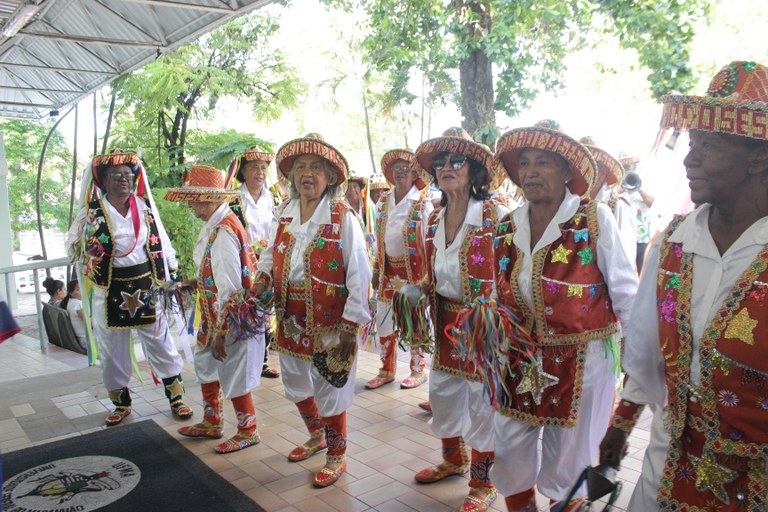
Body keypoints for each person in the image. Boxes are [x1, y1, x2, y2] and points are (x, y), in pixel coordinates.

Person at [599, 60, 768, 511]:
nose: (690, 159)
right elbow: (647, 350)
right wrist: (621, 423)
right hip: (669, 460)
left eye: (708, 146)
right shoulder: (674, 242)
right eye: (692, 143)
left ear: (759, 157)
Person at [491, 120, 638, 511]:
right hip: (519, 357)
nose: (531, 171)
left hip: (584, 360)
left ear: (567, 172)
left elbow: (627, 294)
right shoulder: (506, 226)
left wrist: (636, 361)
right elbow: (496, 290)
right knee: (507, 448)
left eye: (543, 162)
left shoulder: (594, 219)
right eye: (525, 162)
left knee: (570, 458)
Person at [252, 133, 372, 487]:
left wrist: (352, 324)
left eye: (316, 168)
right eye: (301, 167)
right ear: (291, 177)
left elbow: (359, 272)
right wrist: (262, 276)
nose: (307, 174)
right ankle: (316, 434)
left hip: (331, 323)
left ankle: (337, 455)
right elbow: (269, 252)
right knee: (296, 383)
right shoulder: (285, 213)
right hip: (290, 319)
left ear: (331, 176)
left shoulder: (342, 216)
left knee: (330, 389)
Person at [411, 127, 509, 512]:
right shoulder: (434, 218)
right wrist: (419, 289)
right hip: (446, 321)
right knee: (445, 394)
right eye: (439, 164)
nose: (446, 168)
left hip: (483, 328)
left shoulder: (494, 214)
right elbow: (434, 270)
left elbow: (510, 272)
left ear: (476, 172)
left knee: (482, 402)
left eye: (456, 162)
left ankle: (483, 482)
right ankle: (454, 460)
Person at [66, 150, 192, 426]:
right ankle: (121, 404)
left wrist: (169, 275)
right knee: (112, 349)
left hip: (146, 285)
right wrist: (87, 249)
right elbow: (72, 246)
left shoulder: (144, 208)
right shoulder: (92, 212)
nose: (123, 180)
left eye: (127, 175)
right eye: (116, 176)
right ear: (104, 180)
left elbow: (162, 242)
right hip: (109, 288)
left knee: (160, 341)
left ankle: (177, 398)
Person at [165, 165, 265, 454]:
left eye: (194, 199)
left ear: (209, 198)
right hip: (214, 315)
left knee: (234, 370)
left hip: (229, 319)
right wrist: (195, 283)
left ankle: (248, 430)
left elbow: (232, 287)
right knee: (207, 364)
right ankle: (212, 420)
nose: (191, 205)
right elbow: (217, 273)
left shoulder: (223, 232)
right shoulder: (218, 225)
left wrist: (222, 331)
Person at [365, 149, 432, 390]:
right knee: (384, 321)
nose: (401, 173)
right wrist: (375, 268)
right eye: (397, 170)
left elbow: (429, 244)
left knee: (413, 321)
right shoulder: (383, 201)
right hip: (387, 271)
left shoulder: (423, 205)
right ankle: (386, 369)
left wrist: (426, 279)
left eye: (407, 169)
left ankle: (418, 369)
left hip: (413, 274)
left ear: (416, 174)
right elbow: (379, 237)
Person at [227, 145, 280, 379]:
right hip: (243, 264)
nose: (260, 172)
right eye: (254, 168)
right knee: (245, 308)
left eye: (263, 168)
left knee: (266, 312)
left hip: (267, 263)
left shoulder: (275, 198)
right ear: (243, 172)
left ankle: (263, 360)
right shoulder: (233, 200)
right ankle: (244, 358)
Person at [581, 137, 637, 270]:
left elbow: (624, 265)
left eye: (588, 167)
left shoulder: (617, 207)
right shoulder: (575, 204)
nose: (582, 173)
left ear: (603, 172)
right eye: (579, 167)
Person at [618, 152, 655, 273]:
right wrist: (620, 188)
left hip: (642, 238)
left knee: (640, 272)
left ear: (635, 165)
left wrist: (639, 188)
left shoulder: (646, 180)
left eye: (629, 165)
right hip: (622, 238)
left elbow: (652, 203)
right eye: (624, 166)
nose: (626, 168)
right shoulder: (616, 182)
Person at [60, 280, 87, 351]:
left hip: (80, 338)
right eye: (78, 289)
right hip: (85, 340)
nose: (82, 291)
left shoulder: (70, 302)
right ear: (71, 293)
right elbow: (90, 324)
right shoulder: (78, 304)